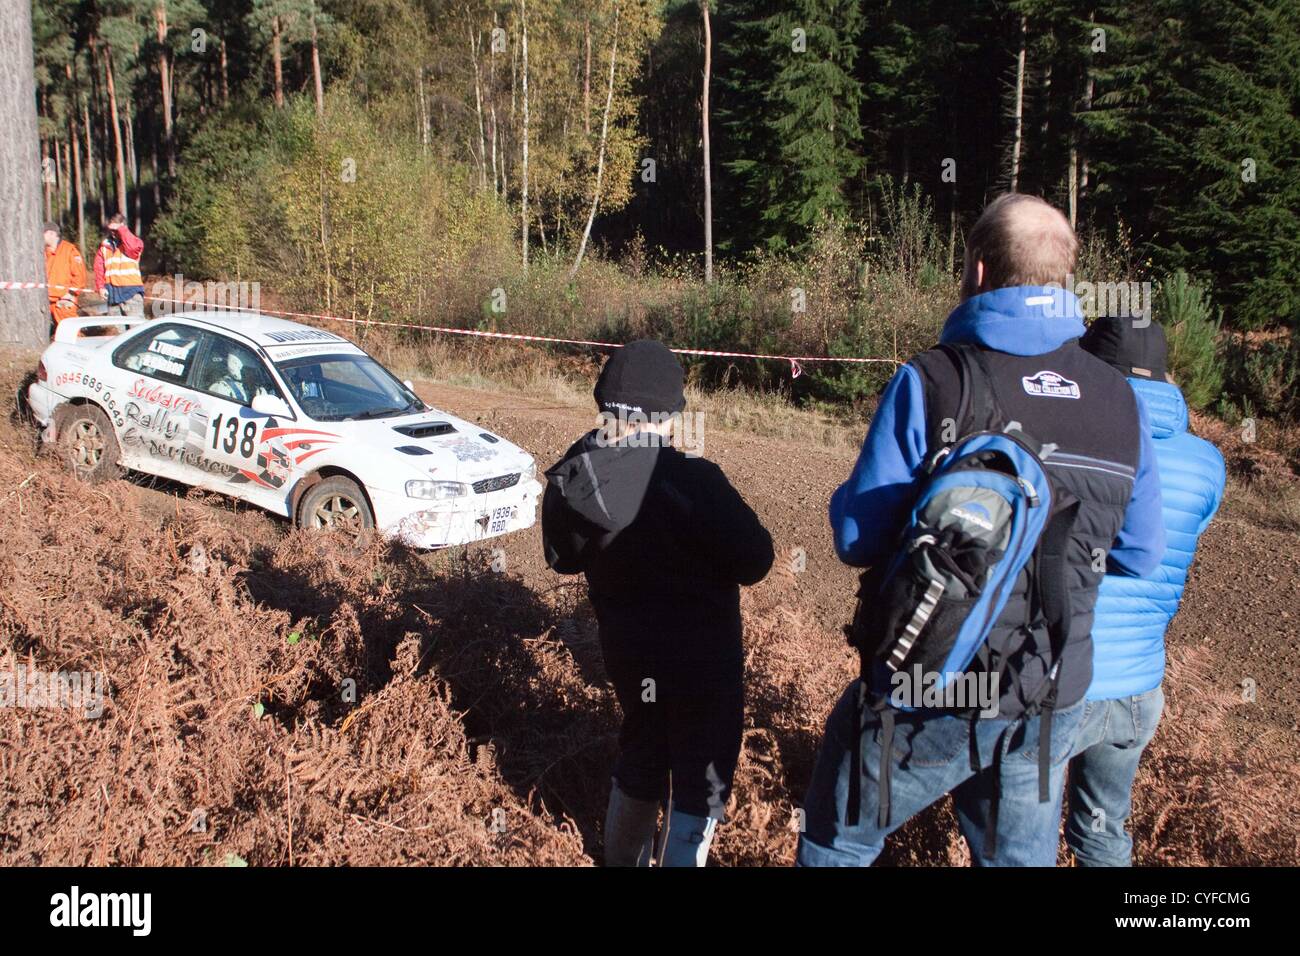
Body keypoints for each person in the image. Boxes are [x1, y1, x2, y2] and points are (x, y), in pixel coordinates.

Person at [797, 194, 1166, 867]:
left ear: (977, 271)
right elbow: (1141, 554)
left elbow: (856, 536)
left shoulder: (934, 380)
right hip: (1047, 689)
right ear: (1066, 277)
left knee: (839, 842)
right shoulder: (1122, 400)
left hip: (925, 684)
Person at [542, 340, 774, 867]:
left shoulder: (581, 481)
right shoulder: (695, 480)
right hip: (703, 670)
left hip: (630, 660)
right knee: (703, 777)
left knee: (643, 749)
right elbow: (756, 560)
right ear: (671, 413)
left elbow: (562, 558)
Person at [1059, 316, 1225, 865]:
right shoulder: (1207, 463)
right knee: (1101, 834)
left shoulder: (1075, 438)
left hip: (1062, 680)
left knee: (1013, 830)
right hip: (1140, 688)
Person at [93, 213, 145, 316]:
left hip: (131, 292)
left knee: (137, 329)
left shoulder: (134, 242)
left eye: (115, 229)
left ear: (123, 227)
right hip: (112, 295)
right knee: (117, 331)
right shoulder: (104, 247)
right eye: (111, 229)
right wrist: (100, 287)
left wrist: (121, 230)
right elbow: (99, 269)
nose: (113, 232)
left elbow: (133, 248)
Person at [43, 221, 86, 329]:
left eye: (43, 233)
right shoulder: (42, 252)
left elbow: (79, 275)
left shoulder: (69, 250)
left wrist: (71, 294)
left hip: (63, 301)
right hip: (46, 301)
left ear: (52, 234)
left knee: (70, 332)